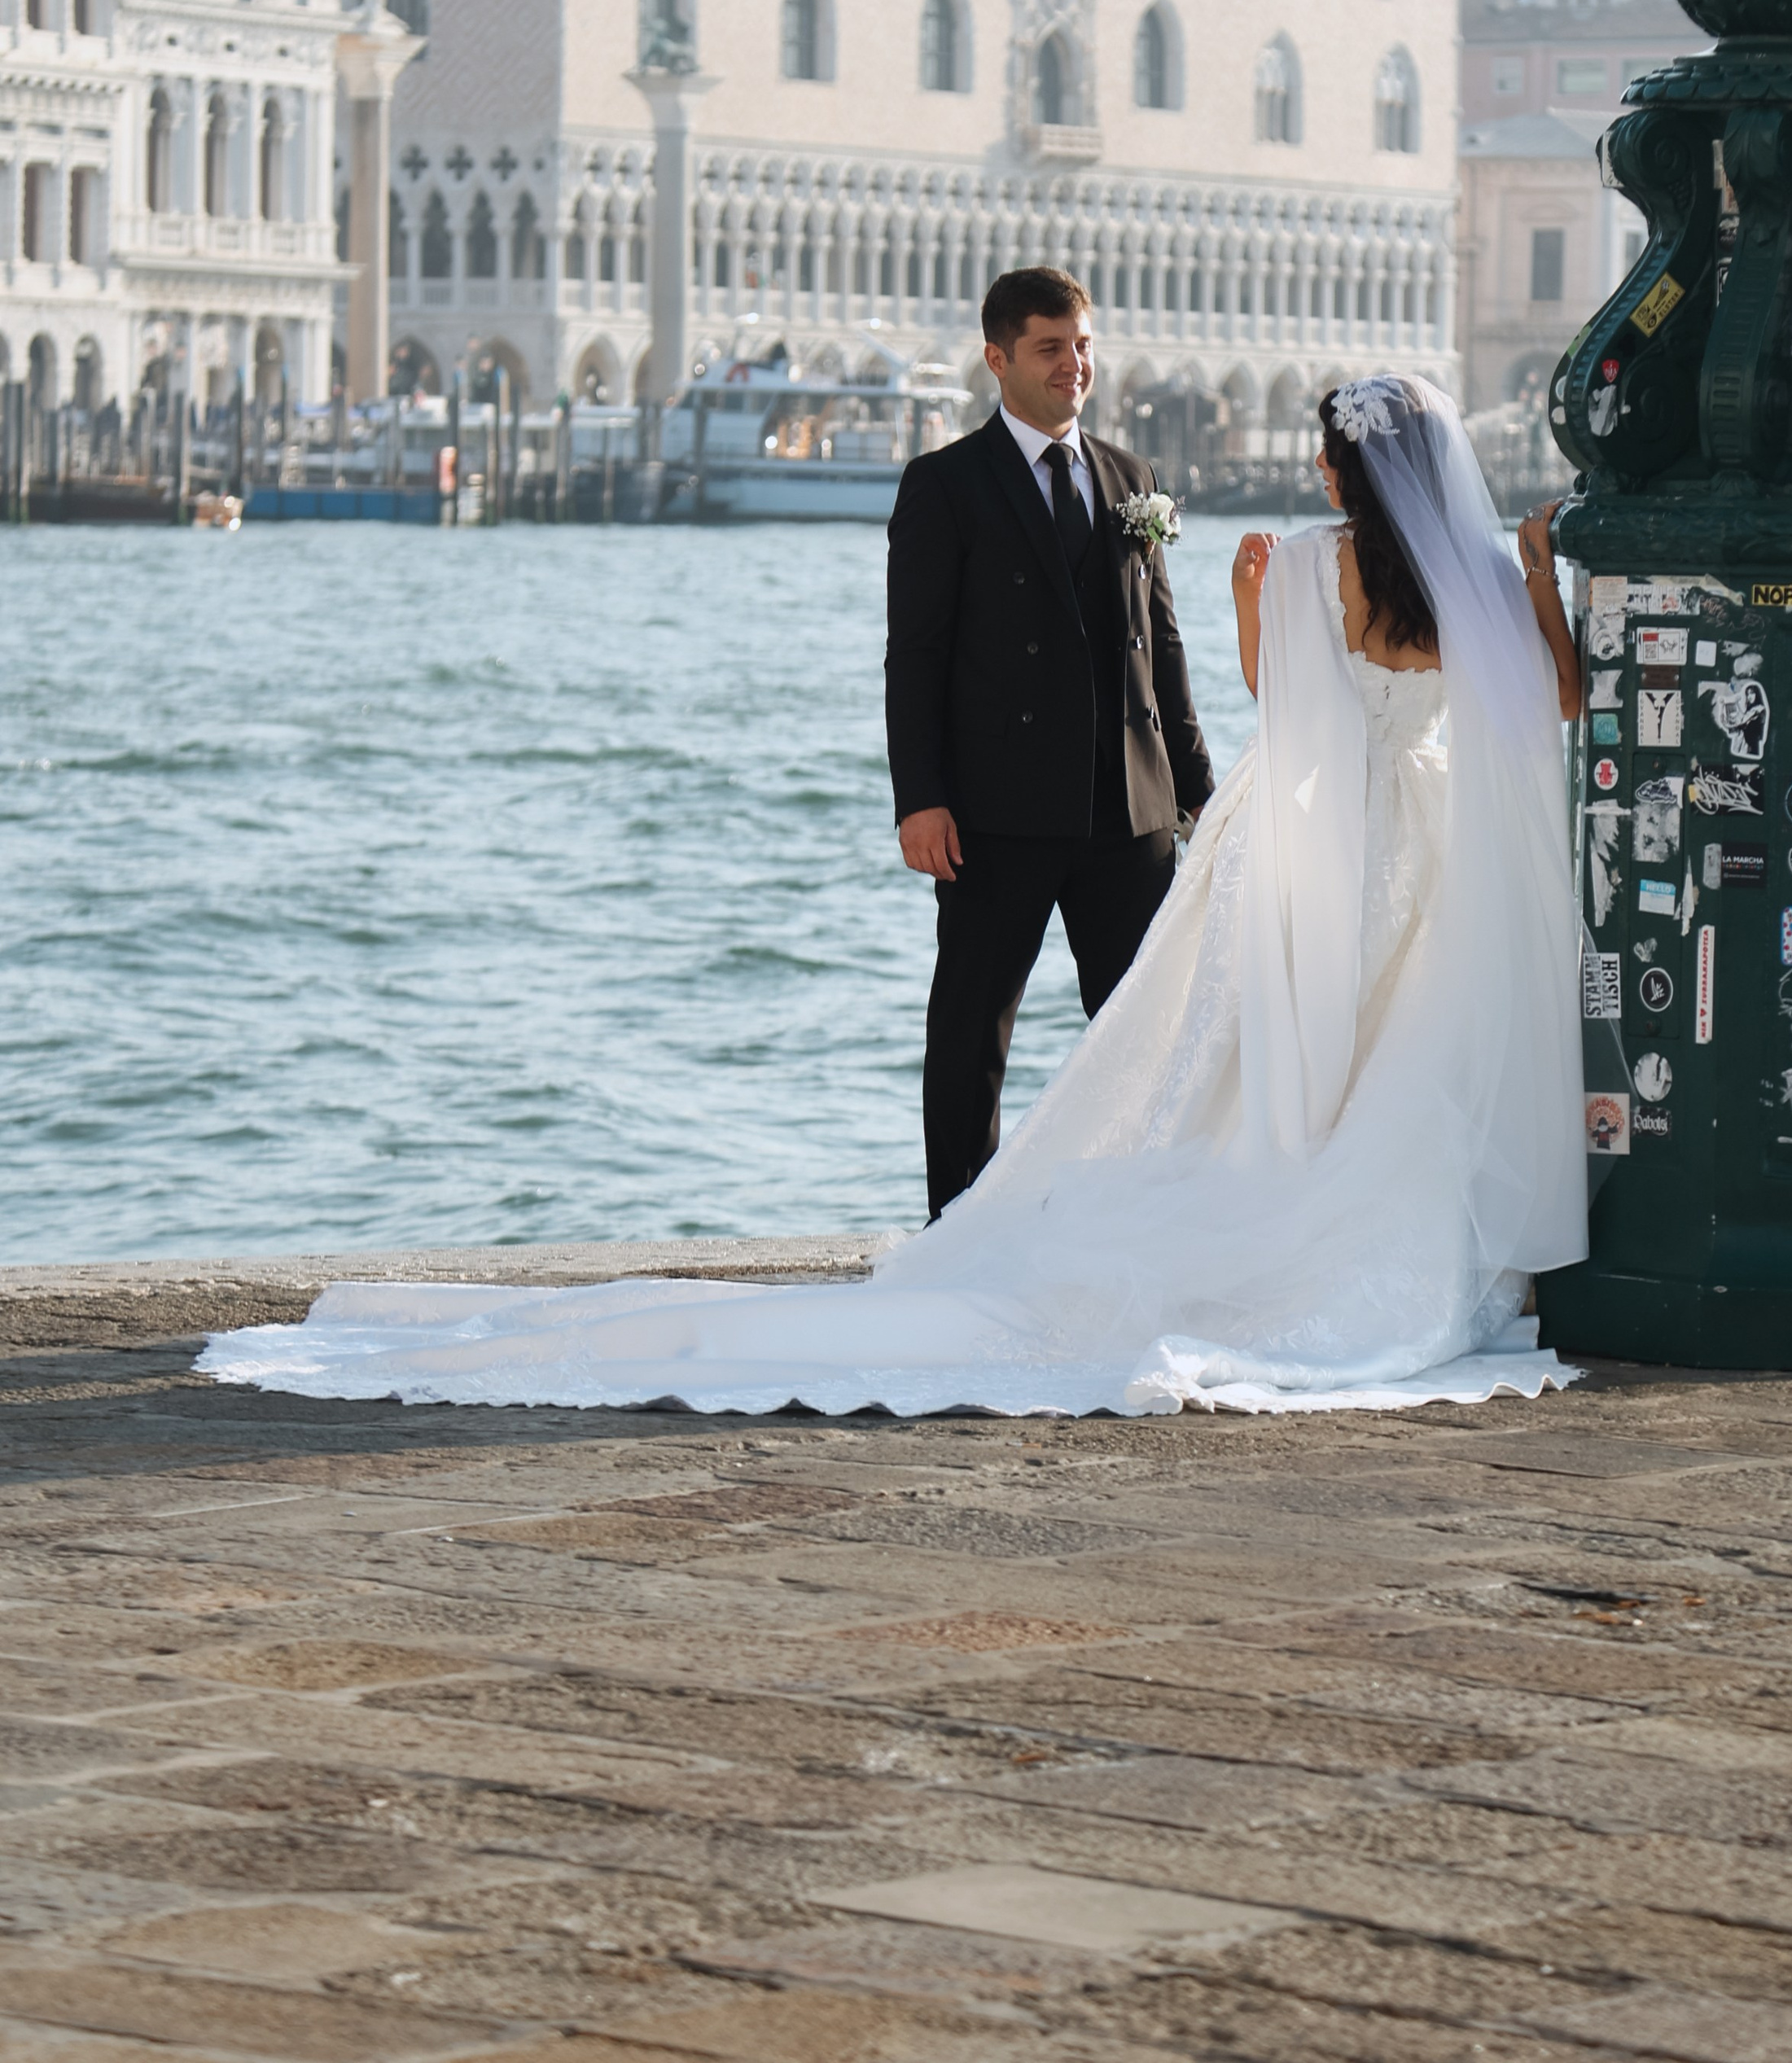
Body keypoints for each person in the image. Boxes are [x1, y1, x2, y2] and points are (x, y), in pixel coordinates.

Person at [200, 372, 1588, 1421]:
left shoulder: (1302, 563)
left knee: (1271, 1048)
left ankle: (1240, 1199)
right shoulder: (1477, 577)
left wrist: (1235, 600)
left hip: (1310, 843)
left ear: (1352, 471)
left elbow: (1280, 701)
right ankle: (1379, 1233)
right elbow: (1552, 714)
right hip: (1430, 844)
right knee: (1411, 1057)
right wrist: (1539, 580)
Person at [885, 265, 1216, 1217]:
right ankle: (956, 1224)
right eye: (1050, 348)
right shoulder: (943, 485)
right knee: (970, 1033)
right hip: (995, 812)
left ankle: (1146, 1218)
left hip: (1130, 810)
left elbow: (1164, 650)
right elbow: (916, 657)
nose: (1074, 365)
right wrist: (920, 798)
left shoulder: (1131, 478)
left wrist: (1196, 792)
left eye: (1083, 345)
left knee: (1149, 1035)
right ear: (997, 359)